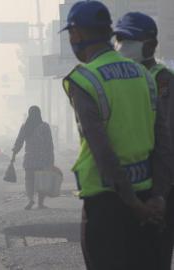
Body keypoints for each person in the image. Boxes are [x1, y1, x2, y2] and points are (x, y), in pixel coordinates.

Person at [60, 2, 163, 269]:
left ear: (76, 35)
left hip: (106, 206)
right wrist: (156, 199)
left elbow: (102, 150)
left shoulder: (84, 80)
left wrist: (131, 203)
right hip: (147, 201)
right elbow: (164, 143)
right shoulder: (145, 75)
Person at [114, 12, 174, 270]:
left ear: (149, 45)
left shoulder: (163, 81)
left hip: (160, 185)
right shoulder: (118, 79)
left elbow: (166, 139)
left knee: (155, 255)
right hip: (128, 184)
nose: (122, 46)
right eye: (119, 40)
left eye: (129, 40)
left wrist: (160, 191)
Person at [12, 106, 54, 210]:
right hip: (42, 158)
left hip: (29, 158)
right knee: (41, 181)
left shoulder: (25, 126)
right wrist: (51, 159)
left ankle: (30, 200)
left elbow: (19, 142)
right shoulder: (45, 126)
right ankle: (40, 203)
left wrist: (13, 155)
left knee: (29, 180)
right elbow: (49, 144)